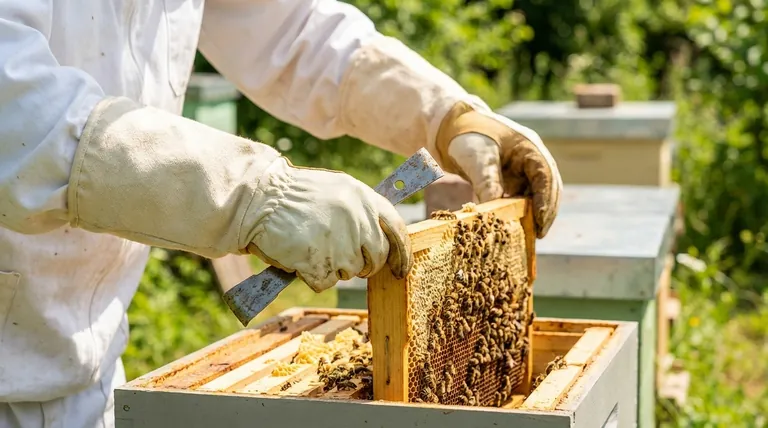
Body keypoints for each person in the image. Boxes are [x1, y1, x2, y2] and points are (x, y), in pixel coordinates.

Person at [0, 1, 562, 426]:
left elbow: (291, 31)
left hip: (89, 374)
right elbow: (16, 105)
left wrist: (444, 114)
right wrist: (252, 194)